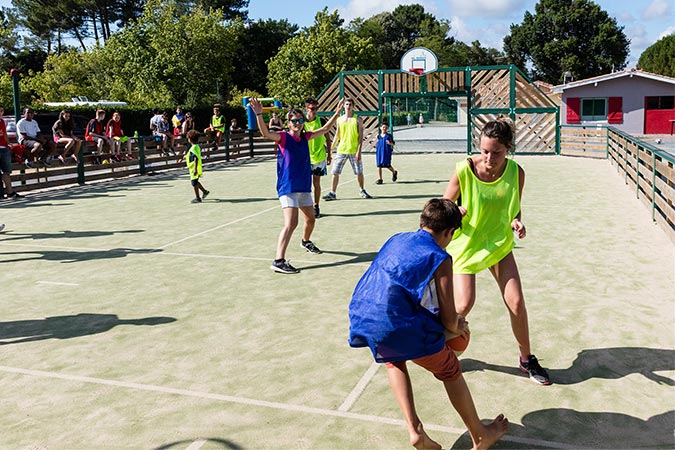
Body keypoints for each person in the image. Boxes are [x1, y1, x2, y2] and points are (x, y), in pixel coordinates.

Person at [349, 198, 509, 450]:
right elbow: (448, 319)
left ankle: (415, 431)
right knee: (449, 370)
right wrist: (459, 326)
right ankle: (480, 436)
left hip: (364, 316)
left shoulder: (397, 238)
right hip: (397, 325)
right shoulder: (440, 256)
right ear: (449, 232)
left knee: (394, 359)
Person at [443, 118, 551, 386]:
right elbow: (442, 208)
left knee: (516, 302)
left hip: (498, 245)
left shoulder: (517, 173)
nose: (489, 157)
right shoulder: (464, 171)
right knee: (463, 306)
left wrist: (517, 221)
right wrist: (454, 212)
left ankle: (527, 359)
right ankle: (440, 350)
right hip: (466, 244)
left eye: (496, 152)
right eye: (484, 151)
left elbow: (514, 208)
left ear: (509, 149)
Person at [248, 96, 343, 274]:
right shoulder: (283, 138)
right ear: (288, 123)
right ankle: (278, 260)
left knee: (311, 219)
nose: (297, 123)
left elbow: (325, 129)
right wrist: (259, 114)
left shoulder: (306, 136)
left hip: (303, 187)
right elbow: (265, 134)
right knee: (291, 223)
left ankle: (305, 241)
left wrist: (337, 113)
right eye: (294, 121)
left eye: (300, 120)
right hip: (288, 187)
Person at [323, 97, 372, 201]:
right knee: (335, 172)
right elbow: (337, 135)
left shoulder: (358, 119)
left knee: (359, 172)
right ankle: (333, 193)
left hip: (354, 150)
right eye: (346, 104)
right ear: (343, 106)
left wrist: (359, 151)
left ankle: (362, 190)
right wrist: (331, 149)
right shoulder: (339, 119)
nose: (348, 106)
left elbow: (360, 137)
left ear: (353, 106)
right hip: (341, 150)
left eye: (350, 104)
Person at [303, 97, 332, 218]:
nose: (314, 110)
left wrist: (329, 153)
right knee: (305, 184)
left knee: (316, 183)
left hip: (319, 157)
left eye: (316, 108)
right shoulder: (301, 123)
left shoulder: (322, 121)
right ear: (306, 108)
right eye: (312, 108)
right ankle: (306, 206)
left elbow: (328, 139)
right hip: (304, 158)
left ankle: (316, 206)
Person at [0, 104, 21, 199]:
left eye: (1, 111)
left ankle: (10, 192)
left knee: (6, 171)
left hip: (4, 149)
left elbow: (4, 135)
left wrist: (9, 143)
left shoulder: (2, 121)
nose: (0, 113)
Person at [184, 129, 209, 204]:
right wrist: (186, 156)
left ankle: (198, 198)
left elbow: (195, 158)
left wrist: (195, 169)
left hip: (194, 168)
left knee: (194, 183)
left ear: (190, 139)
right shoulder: (196, 147)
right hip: (194, 168)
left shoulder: (193, 148)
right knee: (195, 182)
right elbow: (192, 155)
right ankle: (205, 191)